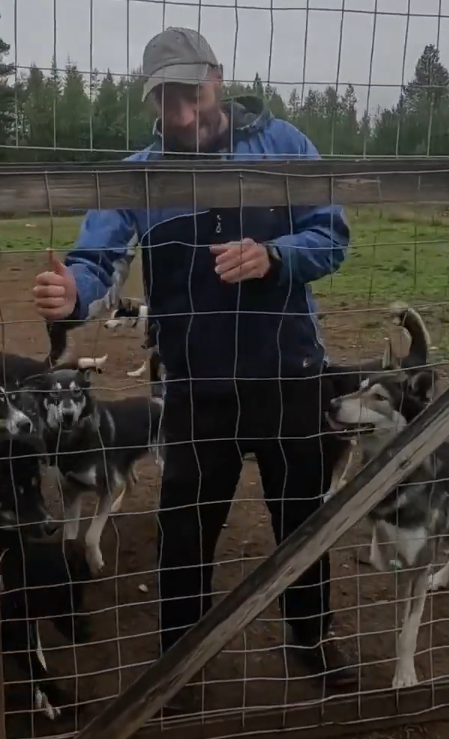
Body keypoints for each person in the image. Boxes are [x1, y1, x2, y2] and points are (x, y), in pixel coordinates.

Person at [32, 27, 358, 706]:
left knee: (302, 517)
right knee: (185, 528)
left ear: (216, 74)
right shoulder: (139, 173)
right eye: (164, 98)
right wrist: (75, 295)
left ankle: (312, 633)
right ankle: (180, 655)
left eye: (189, 92)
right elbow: (97, 258)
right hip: (193, 384)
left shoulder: (284, 146)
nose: (179, 113)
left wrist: (276, 257)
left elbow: (332, 234)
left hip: (289, 371)